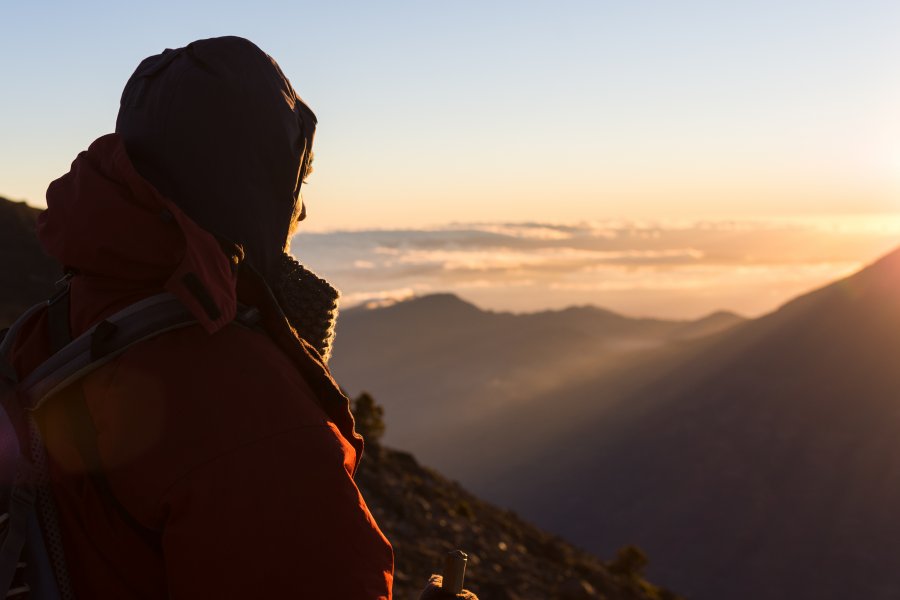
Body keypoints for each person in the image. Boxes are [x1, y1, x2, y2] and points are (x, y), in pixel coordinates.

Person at [8, 36, 396, 599]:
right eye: (294, 183)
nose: (302, 211)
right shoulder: (253, 414)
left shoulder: (52, 328)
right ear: (246, 187)